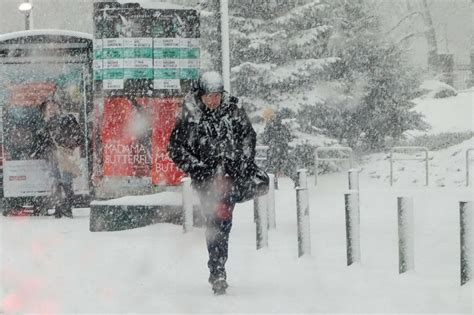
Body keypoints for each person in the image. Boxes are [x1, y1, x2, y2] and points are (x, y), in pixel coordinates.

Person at [168, 71, 269, 295]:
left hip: (230, 178)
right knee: (215, 223)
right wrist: (197, 168)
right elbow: (176, 148)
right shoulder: (190, 113)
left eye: (217, 95)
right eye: (209, 96)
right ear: (201, 95)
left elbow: (248, 138)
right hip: (207, 182)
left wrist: (241, 164)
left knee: (223, 224)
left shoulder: (233, 109)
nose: (214, 100)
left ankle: (218, 267)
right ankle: (217, 270)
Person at [34, 98, 83, 218]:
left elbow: (77, 136)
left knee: (66, 181)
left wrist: (67, 146)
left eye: (53, 107)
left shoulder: (67, 118)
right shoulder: (43, 123)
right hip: (52, 156)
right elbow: (41, 141)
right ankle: (59, 208)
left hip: (64, 155)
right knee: (55, 182)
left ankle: (67, 207)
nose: (51, 110)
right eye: (48, 108)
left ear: (58, 107)